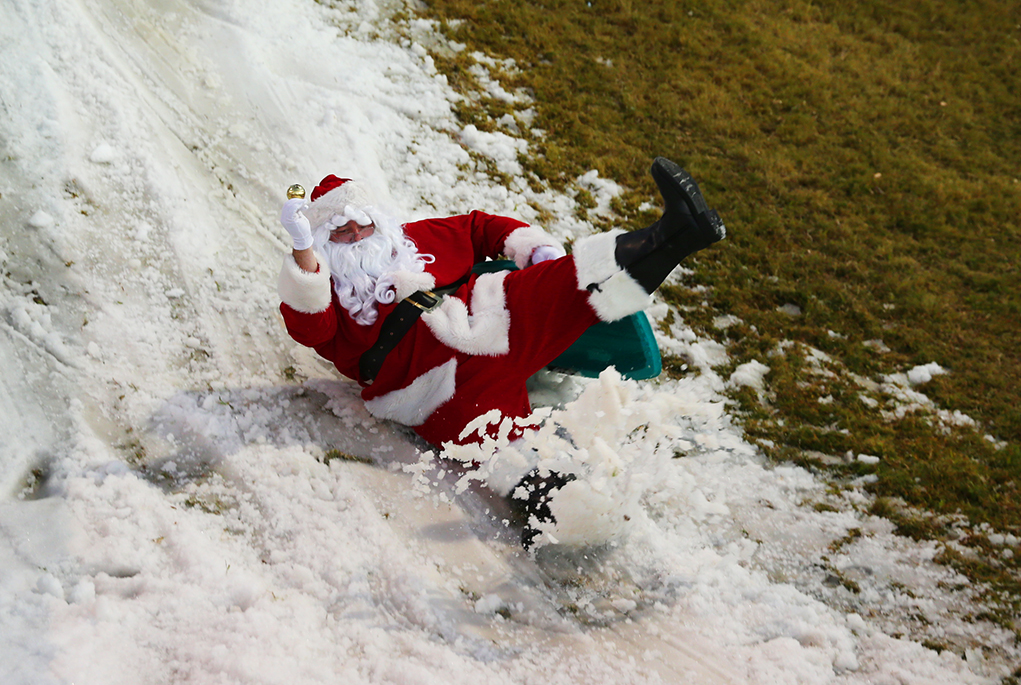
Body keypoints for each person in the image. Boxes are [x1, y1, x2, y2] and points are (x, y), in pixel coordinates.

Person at [277, 157, 725, 545]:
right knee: (507, 452)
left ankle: (677, 233)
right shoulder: (326, 295)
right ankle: (566, 519)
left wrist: (536, 252)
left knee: (576, 279)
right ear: (323, 247)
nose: (356, 235)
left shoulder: (416, 238)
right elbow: (308, 327)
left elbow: (479, 227)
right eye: (339, 232)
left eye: (362, 223)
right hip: (436, 388)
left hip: (494, 316)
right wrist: (302, 252)